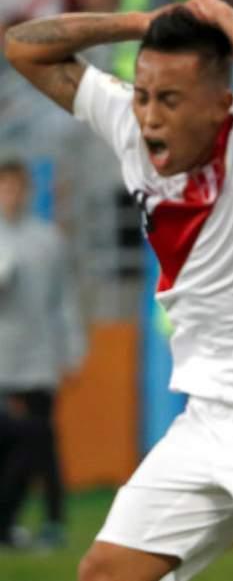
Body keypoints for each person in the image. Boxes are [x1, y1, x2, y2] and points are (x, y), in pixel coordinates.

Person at [3, 0, 233, 581]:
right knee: (104, 572)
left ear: (220, 105)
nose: (148, 116)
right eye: (143, 95)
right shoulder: (129, 120)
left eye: (169, 100)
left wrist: (220, 15)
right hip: (209, 417)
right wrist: (140, 24)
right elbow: (22, 45)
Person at [0, 159, 85, 549]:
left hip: (36, 362)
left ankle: (52, 521)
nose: (10, 195)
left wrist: (71, 347)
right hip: (3, 361)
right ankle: (8, 523)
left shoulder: (46, 239)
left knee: (41, 442)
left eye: (15, 187)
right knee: (11, 448)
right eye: (4, 187)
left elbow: (63, 300)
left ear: (27, 189)